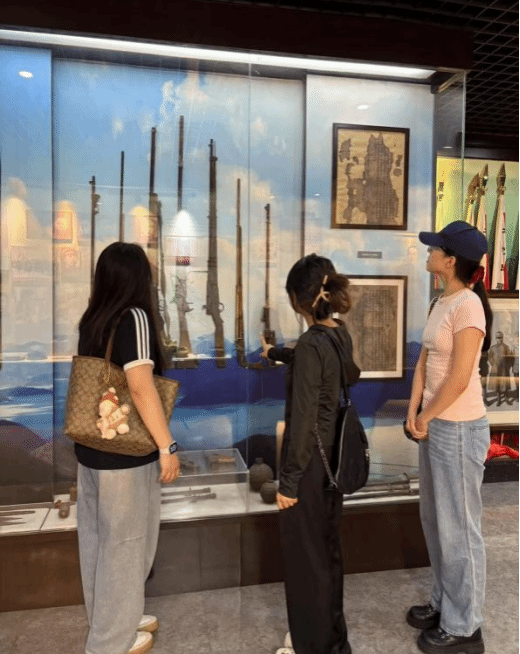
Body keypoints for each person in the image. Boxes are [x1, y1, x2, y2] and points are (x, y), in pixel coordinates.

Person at [75, 242, 180, 654]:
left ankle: (116, 618)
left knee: (98, 541)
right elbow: (139, 387)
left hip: (91, 449)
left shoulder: (93, 318)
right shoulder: (134, 317)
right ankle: (110, 641)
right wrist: (167, 445)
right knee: (125, 544)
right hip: (126, 455)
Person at [261, 254, 360, 654]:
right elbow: (343, 371)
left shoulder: (310, 344)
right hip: (333, 460)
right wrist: (277, 354)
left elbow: (302, 422)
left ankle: (310, 646)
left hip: (308, 467)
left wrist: (288, 483)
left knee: (305, 563)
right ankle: (332, 642)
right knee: (327, 553)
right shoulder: (338, 333)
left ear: (294, 299)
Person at [406, 221, 493, 654]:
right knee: (436, 522)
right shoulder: (440, 301)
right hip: (436, 424)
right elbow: (425, 364)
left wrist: (426, 415)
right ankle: (444, 603)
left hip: (459, 428)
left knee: (459, 530)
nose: (429, 252)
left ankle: (464, 626)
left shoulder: (470, 307)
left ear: (451, 260)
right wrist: (413, 411)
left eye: (434, 248)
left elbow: (459, 379)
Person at [487, 331, 512, 406]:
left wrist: (507, 366)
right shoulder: (493, 348)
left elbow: (509, 358)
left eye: (500, 337)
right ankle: (499, 399)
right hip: (496, 369)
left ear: (503, 338)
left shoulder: (506, 347)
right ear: (496, 338)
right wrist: (493, 364)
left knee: (505, 384)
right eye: (498, 337)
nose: (499, 339)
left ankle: (506, 398)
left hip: (504, 369)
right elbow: (490, 357)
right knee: (497, 384)